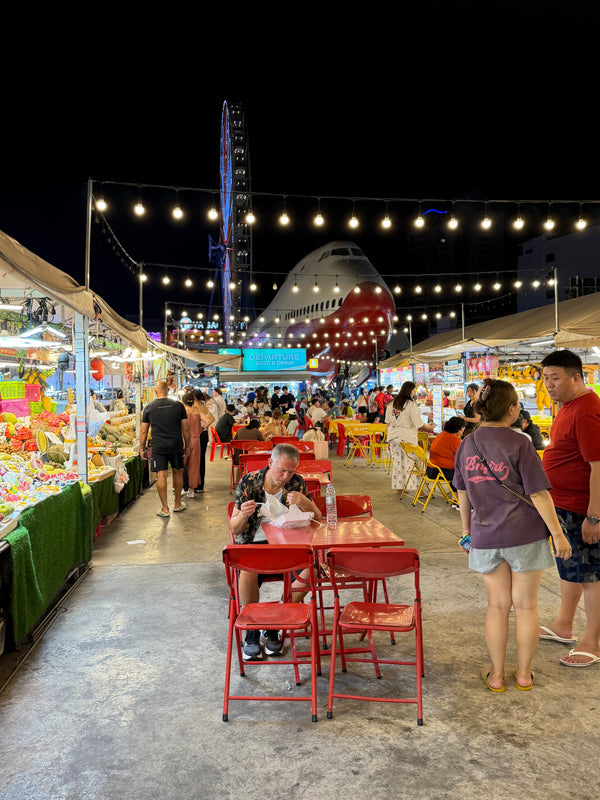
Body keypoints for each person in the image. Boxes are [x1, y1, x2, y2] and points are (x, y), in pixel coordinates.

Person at [453, 378, 572, 691]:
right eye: (518, 403)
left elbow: (461, 493)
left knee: (496, 606)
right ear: (510, 409)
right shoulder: (521, 443)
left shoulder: (468, 443)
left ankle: (495, 676)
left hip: (485, 535)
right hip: (525, 536)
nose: (520, 408)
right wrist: (559, 536)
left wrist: (466, 530)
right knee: (526, 607)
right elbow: (540, 495)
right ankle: (523, 675)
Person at [230, 443, 323, 659]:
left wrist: (306, 503)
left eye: (291, 472)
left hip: (288, 545)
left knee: (313, 569)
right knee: (248, 568)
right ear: (270, 462)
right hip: (255, 544)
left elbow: (318, 519)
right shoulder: (250, 482)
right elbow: (236, 529)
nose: (286, 476)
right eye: (282, 470)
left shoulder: (297, 484)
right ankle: (252, 628)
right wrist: (243, 515)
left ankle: (278, 620)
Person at [538, 349, 600, 667]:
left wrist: (594, 516)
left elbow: (598, 466)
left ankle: (593, 640)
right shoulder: (567, 406)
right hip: (562, 505)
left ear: (576, 377)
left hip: (581, 508)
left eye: (555, 377)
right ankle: (564, 624)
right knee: (570, 568)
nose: (548, 383)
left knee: (590, 575)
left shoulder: (587, 409)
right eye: (545, 377)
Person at [139, 380, 190, 517]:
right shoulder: (179, 406)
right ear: (168, 390)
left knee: (161, 475)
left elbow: (143, 431)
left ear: (156, 392)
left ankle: (165, 508)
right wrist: (188, 445)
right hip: (176, 445)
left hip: (158, 446)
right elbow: (185, 427)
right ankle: (178, 504)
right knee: (178, 472)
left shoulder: (149, 407)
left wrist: (142, 448)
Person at [385, 381, 433, 494]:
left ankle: (399, 488)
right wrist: (429, 427)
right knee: (414, 462)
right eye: (413, 390)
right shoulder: (410, 404)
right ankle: (418, 490)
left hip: (393, 437)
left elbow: (387, 422)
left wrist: (388, 437)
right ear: (410, 390)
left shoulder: (391, 403)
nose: (414, 392)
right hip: (407, 438)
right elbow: (418, 423)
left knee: (398, 463)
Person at [427, 416, 466, 487]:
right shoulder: (453, 438)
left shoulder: (441, 434)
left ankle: (454, 495)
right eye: (463, 428)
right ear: (458, 429)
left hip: (430, 470)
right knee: (465, 472)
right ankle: (457, 496)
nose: (463, 430)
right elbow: (463, 455)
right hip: (441, 471)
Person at [192, 389, 214, 492]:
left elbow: (210, 420)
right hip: (204, 434)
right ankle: (200, 485)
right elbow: (212, 419)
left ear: (194, 397)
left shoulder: (195, 407)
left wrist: (201, 427)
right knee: (201, 459)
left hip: (198, 434)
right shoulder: (204, 406)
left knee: (196, 460)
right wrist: (205, 427)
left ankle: (197, 484)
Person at [182, 392, 201, 497]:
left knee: (180, 464)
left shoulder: (182, 411)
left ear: (183, 401)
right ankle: (191, 490)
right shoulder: (197, 411)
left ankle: (181, 488)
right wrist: (200, 429)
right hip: (195, 439)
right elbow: (209, 420)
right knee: (194, 465)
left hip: (183, 439)